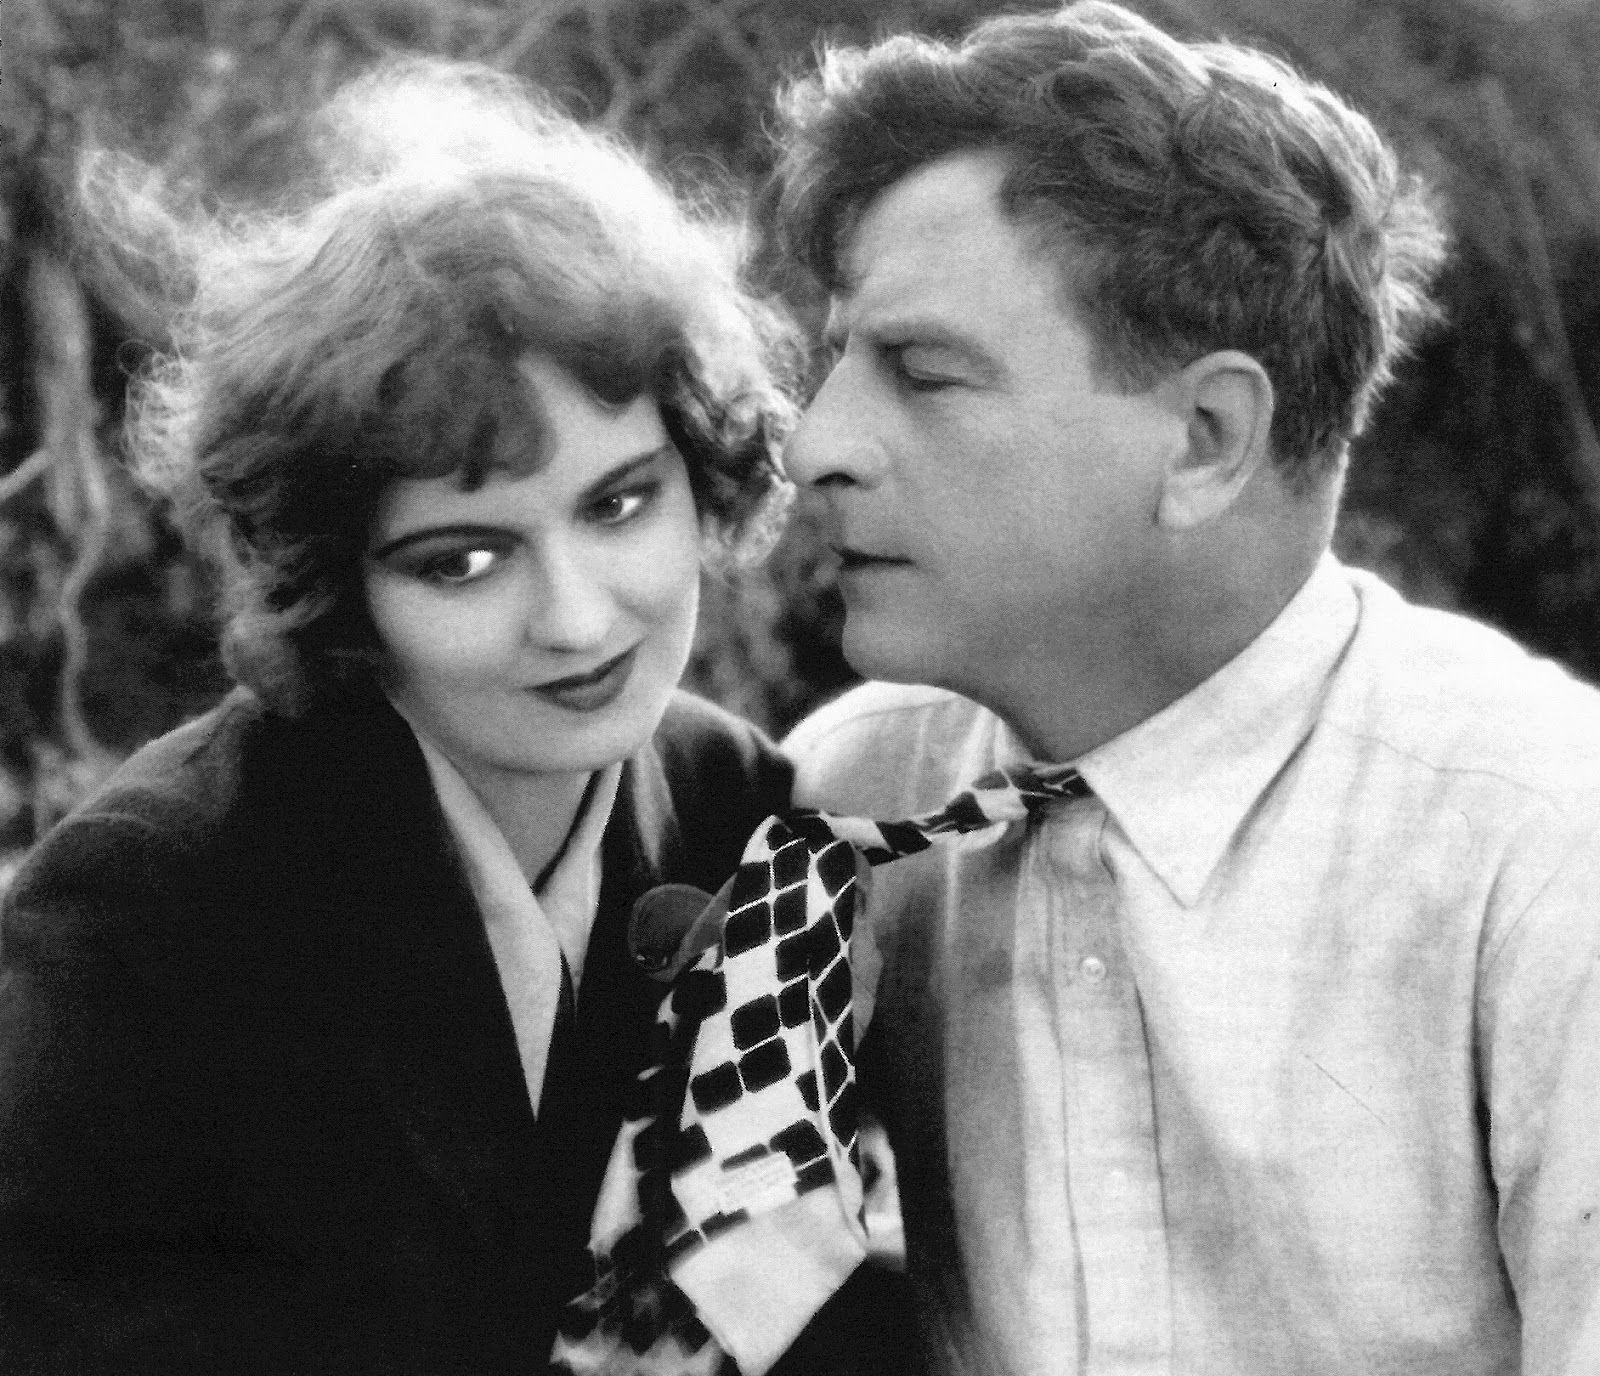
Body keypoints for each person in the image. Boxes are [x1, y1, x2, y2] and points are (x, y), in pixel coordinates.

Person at [768, 4, 1600, 1374]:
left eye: (922, 372)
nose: (814, 446)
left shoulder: (1543, 840)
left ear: (1207, 439)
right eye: (839, 360)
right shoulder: (843, 803)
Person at [0, 60, 806, 1373]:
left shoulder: (742, 809)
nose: (577, 620)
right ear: (340, 584)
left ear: (700, 469)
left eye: (618, 505)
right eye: (463, 561)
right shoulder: (145, 907)